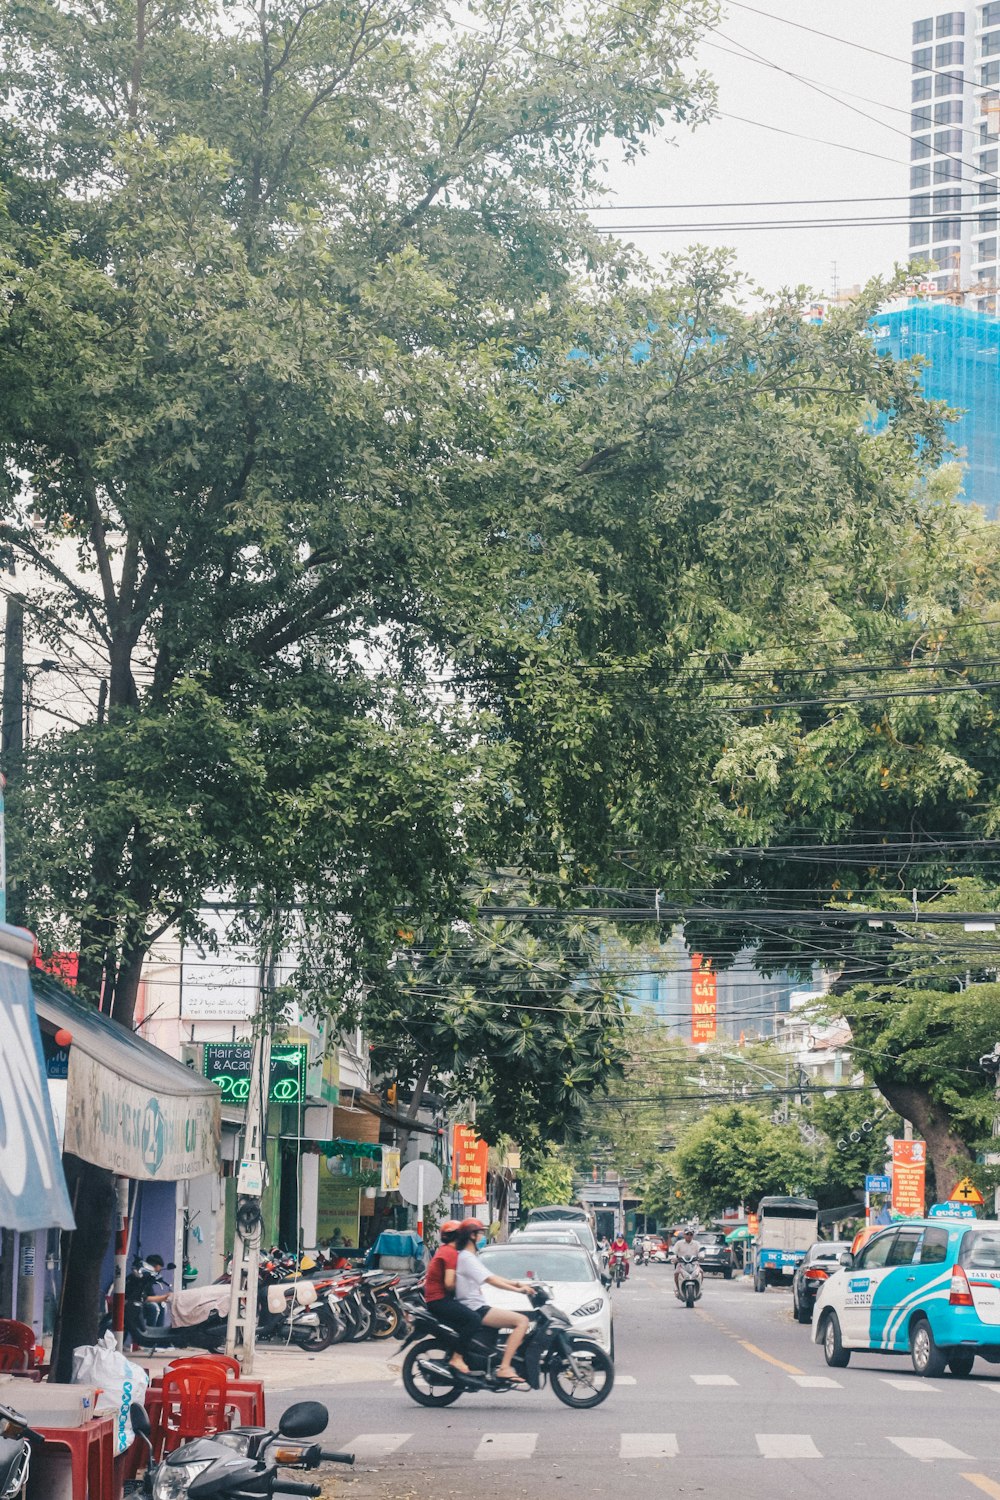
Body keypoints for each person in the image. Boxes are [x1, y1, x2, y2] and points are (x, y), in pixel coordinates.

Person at [454, 1218, 535, 1384]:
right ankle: (505, 1367)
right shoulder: (467, 1258)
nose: (482, 1237)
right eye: (480, 1234)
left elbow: (492, 1276)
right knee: (522, 1321)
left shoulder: (469, 1257)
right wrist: (518, 1290)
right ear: (472, 1236)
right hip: (475, 1308)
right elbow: (491, 1280)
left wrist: (518, 1283)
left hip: (476, 1306)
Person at [423, 1220, 480, 1374]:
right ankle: (457, 1357)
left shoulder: (445, 1250)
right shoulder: (450, 1253)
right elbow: (449, 1283)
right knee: (474, 1319)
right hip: (439, 1300)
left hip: (437, 1299)